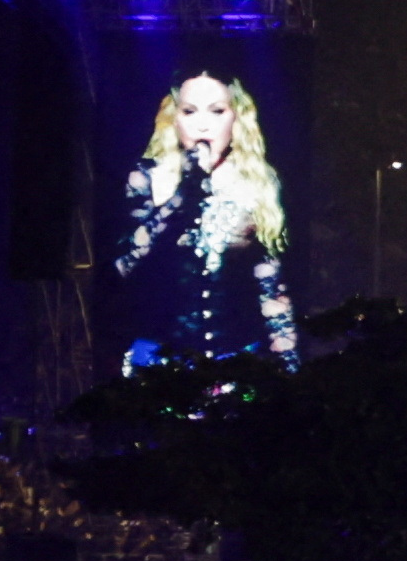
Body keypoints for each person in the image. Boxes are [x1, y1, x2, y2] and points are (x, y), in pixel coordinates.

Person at [112, 74, 298, 370]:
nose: (202, 124)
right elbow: (123, 266)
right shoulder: (147, 176)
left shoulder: (258, 182)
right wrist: (179, 199)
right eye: (189, 111)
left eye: (217, 111)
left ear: (236, 117)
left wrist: (289, 363)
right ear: (174, 119)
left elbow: (270, 284)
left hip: (233, 358)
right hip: (158, 361)